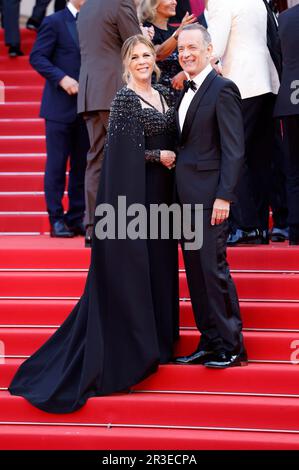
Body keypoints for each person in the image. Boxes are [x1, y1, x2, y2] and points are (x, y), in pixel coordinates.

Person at [8, 35, 179, 414]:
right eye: (134, 56)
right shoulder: (123, 99)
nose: (141, 61)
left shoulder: (165, 91)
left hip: (165, 199)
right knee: (140, 268)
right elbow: (120, 155)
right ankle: (135, 349)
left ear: (155, 58)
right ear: (125, 62)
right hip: (136, 199)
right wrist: (158, 155)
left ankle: (162, 340)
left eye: (146, 55)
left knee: (163, 266)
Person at [174, 24, 247, 368]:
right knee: (194, 273)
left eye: (192, 47)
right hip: (183, 200)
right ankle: (210, 340)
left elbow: (234, 149)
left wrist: (225, 196)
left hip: (210, 200)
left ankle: (232, 346)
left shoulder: (223, 89)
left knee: (212, 270)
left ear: (208, 49)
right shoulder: (181, 91)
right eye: (181, 49)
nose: (186, 53)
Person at [208, 0, 281, 246]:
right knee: (261, 158)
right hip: (267, 84)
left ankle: (246, 226)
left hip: (240, 84)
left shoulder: (221, 2)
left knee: (233, 153)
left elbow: (213, 48)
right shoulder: (256, 1)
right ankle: (259, 225)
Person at [77, 0, 142, 248]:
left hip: (90, 92)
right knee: (126, 157)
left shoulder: (87, 7)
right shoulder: (119, 3)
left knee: (96, 159)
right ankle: (124, 224)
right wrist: (145, 36)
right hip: (114, 90)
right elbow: (136, 46)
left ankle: (93, 226)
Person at [30, 0, 89, 238]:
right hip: (58, 108)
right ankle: (56, 218)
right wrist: (61, 78)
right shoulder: (53, 21)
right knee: (56, 166)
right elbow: (37, 57)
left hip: (87, 106)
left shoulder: (94, 22)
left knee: (81, 166)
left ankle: (76, 217)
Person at [274, 4, 299, 244]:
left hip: (289, 100)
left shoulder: (285, 18)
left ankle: (295, 231)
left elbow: (277, 53)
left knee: (293, 168)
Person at [139, 0, 197, 96]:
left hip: (181, 94)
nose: (175, 2)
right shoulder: (146, 30)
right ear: (153, 4)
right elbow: (158, 54)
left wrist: (185, 73)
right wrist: (178, 33)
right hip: (156, 96)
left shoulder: (176, 31)